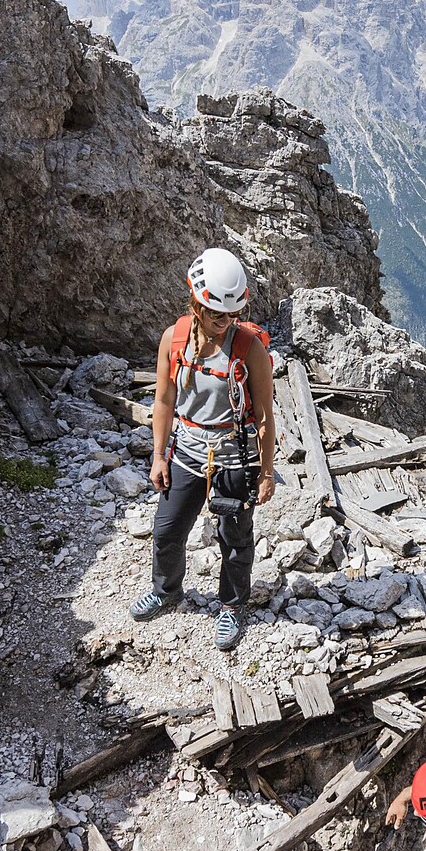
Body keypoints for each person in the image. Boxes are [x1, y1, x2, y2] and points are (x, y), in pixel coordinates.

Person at [129, 247, 277, 651]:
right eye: (216, 314)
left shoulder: (250, 349)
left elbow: (263, 415)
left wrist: (266, 472)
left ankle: (231, 605)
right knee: (167, 530)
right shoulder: (174, 340)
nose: (225, 322)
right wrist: (158, 455)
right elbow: (163, 399)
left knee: (234, 534)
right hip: (188, 452)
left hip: (235, 455)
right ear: (196, 304)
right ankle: (167, 590)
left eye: (231, 315)